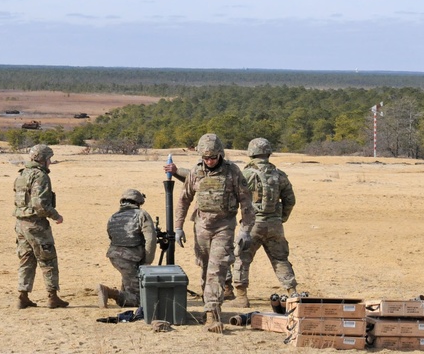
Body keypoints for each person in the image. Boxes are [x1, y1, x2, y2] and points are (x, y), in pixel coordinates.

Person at [173, 134, 255, 332]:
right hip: (201, 226)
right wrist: (178, 227)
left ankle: (212, 312)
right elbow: (184, 200)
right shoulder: (196, 172)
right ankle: (207, 306)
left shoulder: (232, 172)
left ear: (220, 154)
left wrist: (245, 230)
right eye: (206, 158)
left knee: (216, 269)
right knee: (204, 268)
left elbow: (246, 202)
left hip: (224, 226)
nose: (209, 161)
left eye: (213, 157)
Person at [235, 138, 299, 313]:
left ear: (251, 153)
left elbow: (235, 197)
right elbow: (290, 200)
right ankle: (292, 292)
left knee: (242, 258)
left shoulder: (245, 175)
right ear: (268, 153)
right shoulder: (279, 174)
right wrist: (281, 218)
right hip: (275, 225)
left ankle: (241, 297)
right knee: (280, 259)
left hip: (252, 224)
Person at [13, 144, 69, 309]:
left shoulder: (22, 174)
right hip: (36, 224)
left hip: (20, 223)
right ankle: (52, 296)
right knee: (48, 259)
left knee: (26, 260)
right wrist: (56, 216)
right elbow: (40, 204)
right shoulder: (40, 176)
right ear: (43, 159)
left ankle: (23, 296)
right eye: (49, 159)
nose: (50, 162)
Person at [98, 189, 157, 308]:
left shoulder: (113, 217)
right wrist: (147, 261)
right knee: (139, 300)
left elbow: (111, 236)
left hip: (114, 256)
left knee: (128, 278)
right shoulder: (141, 214)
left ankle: (123, 292)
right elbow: (150, 239)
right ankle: (110, 292)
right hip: (130, 258)